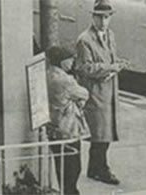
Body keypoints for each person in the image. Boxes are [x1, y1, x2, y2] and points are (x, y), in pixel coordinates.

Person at [74, 0, 129, 185]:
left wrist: (117, 63)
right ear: (93, 16)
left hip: (108, 91)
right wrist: (110, 67)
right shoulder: (85, 40)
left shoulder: (110, 35)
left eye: (107, 17)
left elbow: (109, 57)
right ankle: (100, 169)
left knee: (105, 133)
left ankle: (95, 168)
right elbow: (84, 68)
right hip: (96, 93)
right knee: (100, 135)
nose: (104, 22)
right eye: (100, 17)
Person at [46, 46, 90, 195]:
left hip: (53, 125)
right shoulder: (64, 80)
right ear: (62, 61)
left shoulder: (48, 74)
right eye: (70, 59)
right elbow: (84, 93)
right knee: (73, 166)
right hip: (68, 129)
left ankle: (66, 190)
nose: (72, 63)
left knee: (60, 164)